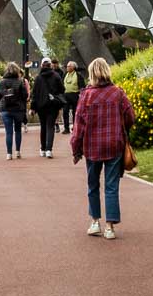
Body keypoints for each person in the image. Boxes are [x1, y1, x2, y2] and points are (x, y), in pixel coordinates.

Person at [71, 57, 136, 240]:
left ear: (91, 73)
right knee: (111, 186)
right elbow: (131, 117)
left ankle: (95, 222)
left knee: (92, 185)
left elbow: (78, 126)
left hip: (92, 147)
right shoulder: (118, 93)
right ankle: (110, 227)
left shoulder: (86, 96)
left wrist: (76, 149)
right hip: (114, 145)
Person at [31, 57, 65, 158]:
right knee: (50, 127)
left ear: (42, 65)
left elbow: (35, 94)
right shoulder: (56, 76)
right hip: (53, 104)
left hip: (41, 105)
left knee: (43, 127)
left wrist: (33, 107)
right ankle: (49, 149)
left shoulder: (38, 77)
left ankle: (42, 149)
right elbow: (62, 89)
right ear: (51, 65)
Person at [0, 62, 29, 160]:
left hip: (5, 108)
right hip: (18, 109)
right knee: (18, 130)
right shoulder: (20, 81)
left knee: (8, 132)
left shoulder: (2, 82)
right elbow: (25, 95)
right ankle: (18, 151)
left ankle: (9, 154)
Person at [61, 60, 85, 135]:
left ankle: (75, 128)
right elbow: (61, 84)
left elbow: (82, 86)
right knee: (65, 111)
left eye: (69, 66)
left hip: (75, 95)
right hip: (66, 95)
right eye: (67, 66)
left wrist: (81, 95)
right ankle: (66, 128)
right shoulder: (65, 74)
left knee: (75, 112)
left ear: (73, 67)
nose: (67, 67)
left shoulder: (78, 75)